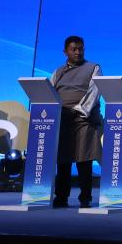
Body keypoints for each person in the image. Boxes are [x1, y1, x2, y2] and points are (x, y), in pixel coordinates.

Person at [50, 36, 103, 208]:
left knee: (84, 159)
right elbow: (49, 92)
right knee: (62, 161)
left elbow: (94, 92)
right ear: (65, 51)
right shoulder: (58, 72)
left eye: (81, 49)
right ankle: (61, 197)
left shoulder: (93, 68)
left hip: (83, 119)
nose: (78, 52)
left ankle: (85, 198)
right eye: (74, 49)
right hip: (62, 118)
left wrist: (79, 110)